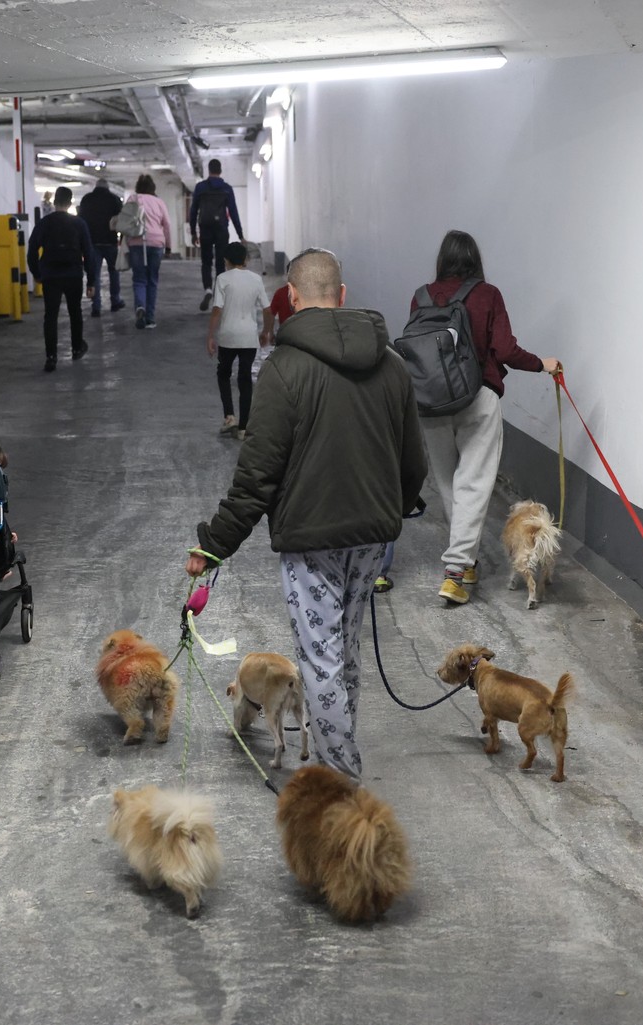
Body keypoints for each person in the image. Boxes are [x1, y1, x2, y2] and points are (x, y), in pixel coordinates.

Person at [185, 248, 428, 779]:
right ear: (342, 296)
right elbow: (415, 461)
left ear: (291, 299)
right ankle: (335, 760)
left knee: (319, 661)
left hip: (311, 545)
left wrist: (214, 545)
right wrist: (393, 509)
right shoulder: (391, 365)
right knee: (345, 652)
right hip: (370, 542)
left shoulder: (284, 370)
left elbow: (257, 477)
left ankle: (338, 781)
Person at [414, 229, 562, 606]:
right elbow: (505, 348)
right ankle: (455, 572)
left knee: (449, 483)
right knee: (475, 485)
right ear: (474, 259)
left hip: (431, 403)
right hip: (476, 398)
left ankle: (466, 562)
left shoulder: (421, 296)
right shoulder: (487, 295)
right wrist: (541, 364)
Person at [206, 241, 272, 441]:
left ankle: (229, 418)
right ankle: (244, 428)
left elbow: (217, 309)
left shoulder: (222, 279)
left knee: (223, 374)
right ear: (246, 259)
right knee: (245, 379)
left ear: (226, 261)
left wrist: (210, 335)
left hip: (228, 336)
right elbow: (267, 310)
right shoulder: (255, 279)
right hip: (248, 336)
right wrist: (266, 331)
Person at [27, 185, 95, 372]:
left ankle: (51, 357)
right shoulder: (79, 224)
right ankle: (76, 348)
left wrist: (37, 273)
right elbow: (89, 253)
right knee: (75, 313)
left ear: (55, 201)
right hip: (73, 274)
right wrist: (91, 281)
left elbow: (32, 249)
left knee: (51, 316)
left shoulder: (44, 223)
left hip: (51, 275)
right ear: (70, 202)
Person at [189, 158, 244, 312]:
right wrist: (240, 235)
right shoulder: (226, 188)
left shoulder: (200, 187)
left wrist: (194, 232)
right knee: (220, 263)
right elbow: (233, 212)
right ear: (220, 171)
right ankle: (218, 298)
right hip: (221, 229)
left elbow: (193, 211)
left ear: (209, 170)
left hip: (205, 228)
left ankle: (207, 289)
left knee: (206, 262)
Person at [123, 174, 172, 330]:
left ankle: (140, 307)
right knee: (152, 280)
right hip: (156, 243)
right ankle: (150, 319)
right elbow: (167, 225)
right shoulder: (159, 202)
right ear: (153, 188)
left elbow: (124, 221)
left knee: (139, 279)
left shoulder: (132, 199)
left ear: (138, 187)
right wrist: (168, 246)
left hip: (136, 242)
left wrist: (124, 243)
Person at [77, 179, 126, 318]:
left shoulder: (87, 199)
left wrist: (81, 242)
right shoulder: (115, 199)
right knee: (114, 272)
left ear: (96, 187)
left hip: (92, 242)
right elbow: (121, 221)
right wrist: (122, 239)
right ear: (108, 187)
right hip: (110, 241)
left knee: (94, 274)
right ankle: (115, 301)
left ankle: (96, 306)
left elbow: (81, 221)